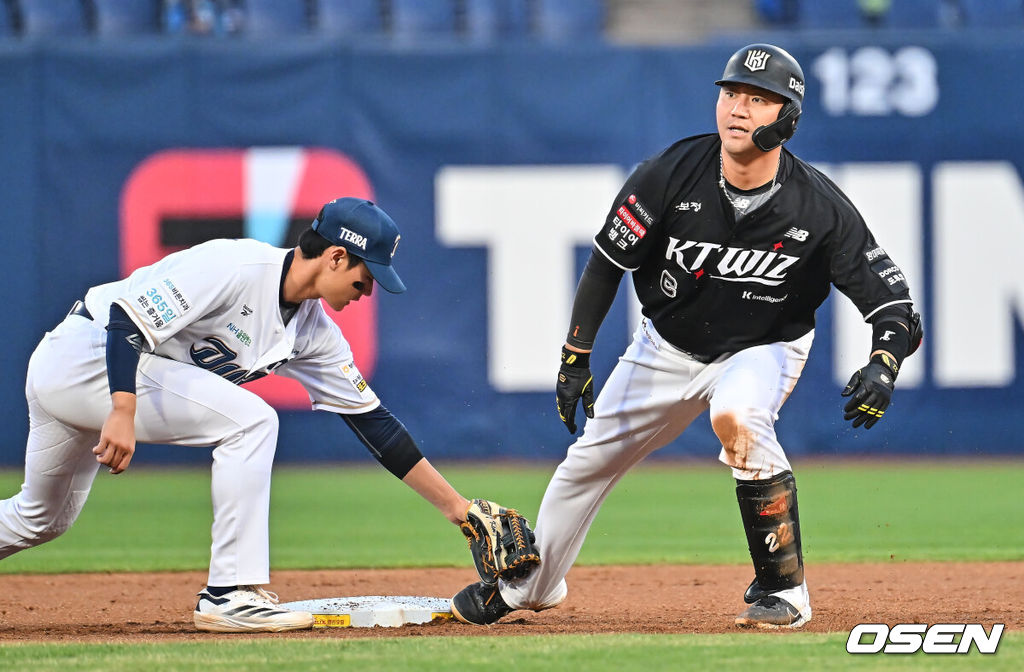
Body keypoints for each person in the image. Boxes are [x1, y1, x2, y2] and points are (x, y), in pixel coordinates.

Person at [451, 44, 922, 629]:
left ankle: (785, 591)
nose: (738, 109)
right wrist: (576, 356)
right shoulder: (668, 174)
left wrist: (884, 362)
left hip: (765, 347)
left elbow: (893, 302)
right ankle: (532, 588)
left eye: (758, 99)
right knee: (585, 465)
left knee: (738, 415)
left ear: (788, 119)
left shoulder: (819, 207)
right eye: (730, 94)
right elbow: (606, 263)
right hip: (666, 348)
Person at [0, 197, 488, 633]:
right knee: (252, 421)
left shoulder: (314, 332)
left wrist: (459, 511)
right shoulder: (235, 264)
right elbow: (126, 319)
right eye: (367, 277)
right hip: (82, 358)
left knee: (40, 519)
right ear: (337, 256)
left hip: (88, 379)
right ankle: (229, 595)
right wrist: (123, 408)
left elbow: (374, 423)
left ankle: (230, 593)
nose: (367, 291)